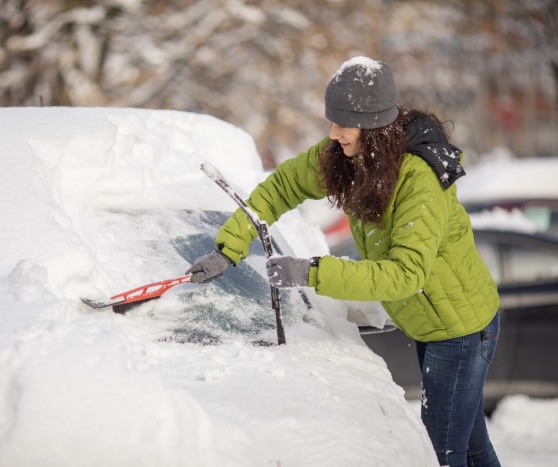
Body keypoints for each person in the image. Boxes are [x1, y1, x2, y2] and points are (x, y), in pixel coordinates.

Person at [187, 56, 502, 467]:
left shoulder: (416, 179)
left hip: (461, 330)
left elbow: (406, 273)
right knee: (472, 450)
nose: (333, 133)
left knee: (442, 455)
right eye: (332, 121)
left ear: (374, 127)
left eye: (344, 123)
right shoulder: (345, 157)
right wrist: (229, 246)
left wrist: (311, 272)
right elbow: (282, 187)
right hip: (433, 324)